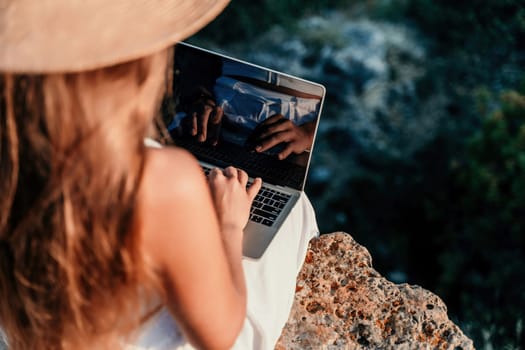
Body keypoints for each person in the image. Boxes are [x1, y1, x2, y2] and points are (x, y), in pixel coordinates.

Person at [0, 1, 319, 350]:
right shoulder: (164, 178)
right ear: (140, 67)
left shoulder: (12, 153)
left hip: (42, 331)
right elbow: (220, 335)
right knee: (295, 208)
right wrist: (228, 227)